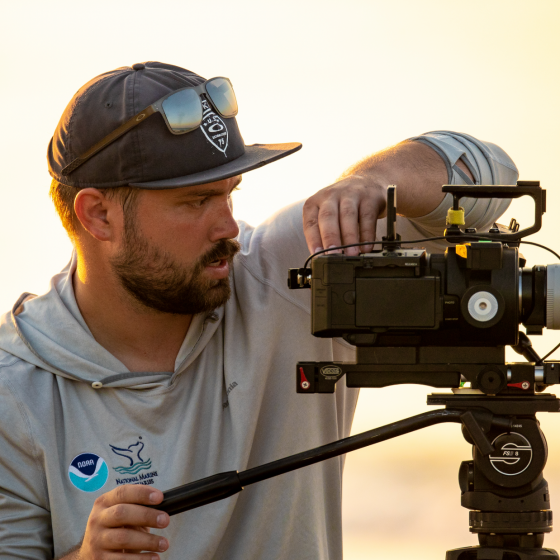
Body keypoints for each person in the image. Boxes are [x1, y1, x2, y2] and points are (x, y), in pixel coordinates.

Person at [0, 61, 519, 560]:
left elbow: (490, 172)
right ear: (99, 215)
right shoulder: (13, 390)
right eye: (196, 202)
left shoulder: (293, 270)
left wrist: (372, 181)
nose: (227, 225)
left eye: (231, 193)